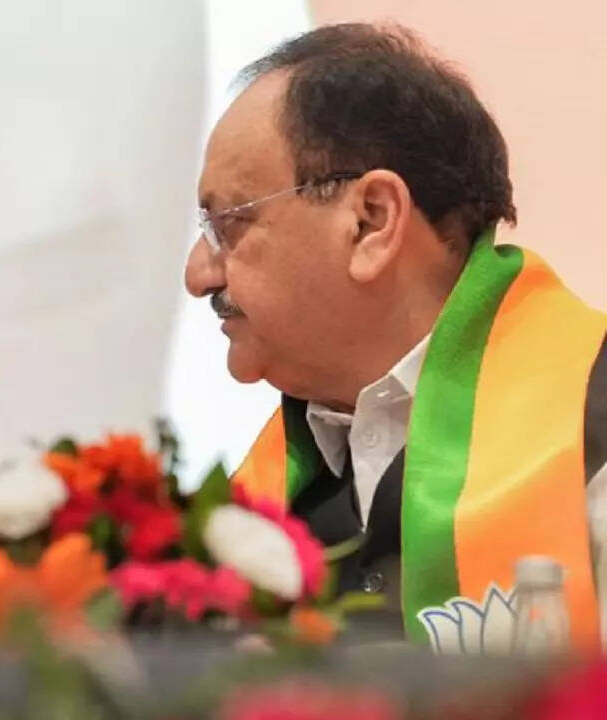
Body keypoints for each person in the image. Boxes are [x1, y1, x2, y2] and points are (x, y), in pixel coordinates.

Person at [185, 23, 607, 652]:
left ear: (371, 222)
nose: (198, 274)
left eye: (229, 224)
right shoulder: (270, 488)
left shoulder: (590, 423)